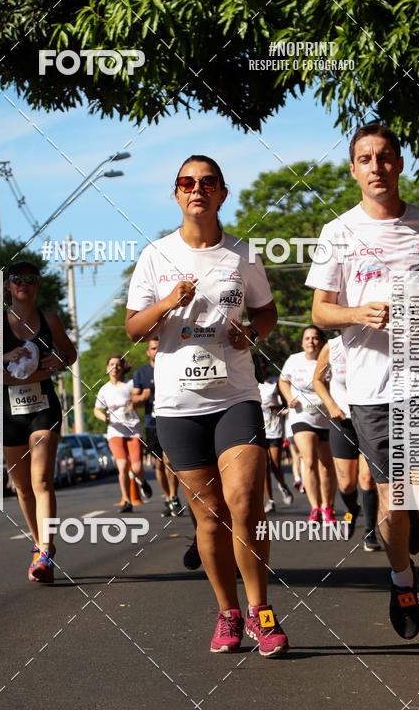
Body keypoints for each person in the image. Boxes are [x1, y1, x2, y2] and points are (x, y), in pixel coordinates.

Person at [307, 121, 419, 667]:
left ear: (399, 165)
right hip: (373, 387)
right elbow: (320, 310)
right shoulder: (338, 233)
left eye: (385, 156)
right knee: (393, 502)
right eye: (365, 158)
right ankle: (401, 577)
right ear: (353, 170)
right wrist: (355, 313)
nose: (376, 166)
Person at [125, 154, 288, 657]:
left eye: (207, 182)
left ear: (222, 192)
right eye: (186, 183)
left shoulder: (243, 255)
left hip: (236, 394)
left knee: (245, 503)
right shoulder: (155, 256)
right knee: (210, 517)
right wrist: (168, 302)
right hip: (177, 404)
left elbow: (267, 311)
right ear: (176, 194)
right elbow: (134, 328)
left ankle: (261, 612)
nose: (197, 189)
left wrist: (252, 334)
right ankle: (227, 613)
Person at [2, 261, 76, 583]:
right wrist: (5, 359)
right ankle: (38, 543)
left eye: (31, 280)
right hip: (7, 411)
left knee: (42, 480)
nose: (24, 284)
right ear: (7, 286)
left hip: (43, 406)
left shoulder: (50, 320)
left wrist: (59, 360)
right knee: (22, 486)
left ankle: (46, 551)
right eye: (18, 279)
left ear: (37, 286)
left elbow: (70, 354)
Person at [312, 335, 380, 550]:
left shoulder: (373, 342)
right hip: (342, 421)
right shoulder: (332, 347)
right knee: (346, 484)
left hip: (370, 419)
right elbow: (318, 380)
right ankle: (352, 511)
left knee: (367, 480)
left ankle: (370, 533)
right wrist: (330, 405)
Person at [278, 326, 337, 525]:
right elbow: (283, 380)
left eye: (315, 338)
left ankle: (327, 507)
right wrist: (288, 398)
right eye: (307, 338)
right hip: (301, 415)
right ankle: (314, 509)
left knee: (327, 467)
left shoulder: (329, 359)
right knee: (309, 460)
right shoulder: (294, 360)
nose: (311, 341)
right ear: (302, 342)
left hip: (327, 417)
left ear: (321, 341)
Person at [94, 355, 152, 512]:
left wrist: (135, 403)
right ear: (107, 368)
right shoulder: (104, 389)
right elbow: (97, 410)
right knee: (123, 466)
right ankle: (127, 500)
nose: (115, 367)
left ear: (122, 368)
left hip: (133, 430)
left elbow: (141, 401)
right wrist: (104, 417)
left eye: (118, 364)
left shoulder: (131, 384)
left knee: (137, 467)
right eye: (112, 364)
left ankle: (142, 481)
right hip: (114, 431)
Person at [132, 338, 182, 517]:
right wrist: (143, 396)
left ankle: (175, 497)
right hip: (152, 423)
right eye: (153, 348)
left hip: (170, 419)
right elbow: (133, 401)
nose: (156, 351)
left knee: (169, 461)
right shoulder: (142, 373)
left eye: (159, 348)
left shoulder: (173, 368)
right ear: (148, 352)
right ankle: (168, 498)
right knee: (158, 464)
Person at [254, 355, 294, 513]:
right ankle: (270, 501)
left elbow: (286, 405)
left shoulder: (275, 382)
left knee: (276, 465)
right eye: (259, 367)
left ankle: (283, 486)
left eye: (264, 366)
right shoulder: (251, 384)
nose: (262, 370)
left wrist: (275, 408)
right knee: (264, 467)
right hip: (258, 430)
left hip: (275, 430)